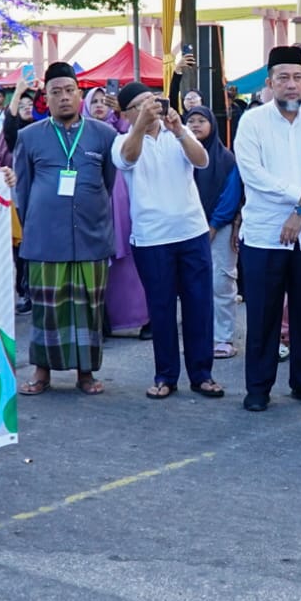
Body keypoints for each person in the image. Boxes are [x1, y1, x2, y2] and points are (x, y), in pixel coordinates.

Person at [233, 45, 301, 412]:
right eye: (283, 78)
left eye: (297, 78)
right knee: (263, 314)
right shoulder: (253, 121)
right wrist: (298, 196)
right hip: (265, 235)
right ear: (270, 83)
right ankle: (258, 387)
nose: (291, 85)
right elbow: (253, 173)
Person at [112, 82, 224, 400]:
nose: (152, 106)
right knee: (161, 310)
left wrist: (179, 130)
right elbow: (127, 160)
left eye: (153, 100)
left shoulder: (178, 133)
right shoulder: (122, 140)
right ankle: (165, 375)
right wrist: (140, 125)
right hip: (152, 238)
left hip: (192, 231)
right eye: (142, 104)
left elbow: (202, 160)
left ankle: (202, 374)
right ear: (128, 113)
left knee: (199, 305)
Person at [13, 62, 119, 396]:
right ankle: (41, 373)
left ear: (80, 94)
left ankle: (85, 374)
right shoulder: (29, 136)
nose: (63, 98)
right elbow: (23, 190)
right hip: (45, 237)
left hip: (91, 235)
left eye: (69, 90)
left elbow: (109, 182)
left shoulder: (105, 135)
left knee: (89, 308)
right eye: (55, 92)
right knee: (48, 309)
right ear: (46, 98)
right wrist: (35, 225)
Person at [184, 105, 242, 360]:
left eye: (201, 121)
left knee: (221, 283)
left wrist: (215, 224)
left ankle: (223, 338)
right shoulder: (180, 156)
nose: (195, 125)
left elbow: (231, 195)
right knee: (194, 285)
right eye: (191, 121)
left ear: (212, 125)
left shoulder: (226, 159)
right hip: (187, 229)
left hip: (219, 228)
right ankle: (201, 337)